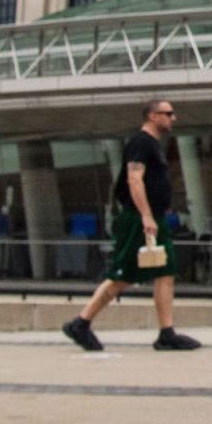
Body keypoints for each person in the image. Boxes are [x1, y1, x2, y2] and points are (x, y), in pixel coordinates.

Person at [63, 98, 200, 352]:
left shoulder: (153, 145)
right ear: (152, 116)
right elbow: (134, 180)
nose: (173, 118)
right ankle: (81, 323)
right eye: (168, 113)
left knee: (165, 272)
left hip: (152, 217)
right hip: (140, 218)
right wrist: (146, 216)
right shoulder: (141, 143)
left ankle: (166, 333)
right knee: (123, 273)